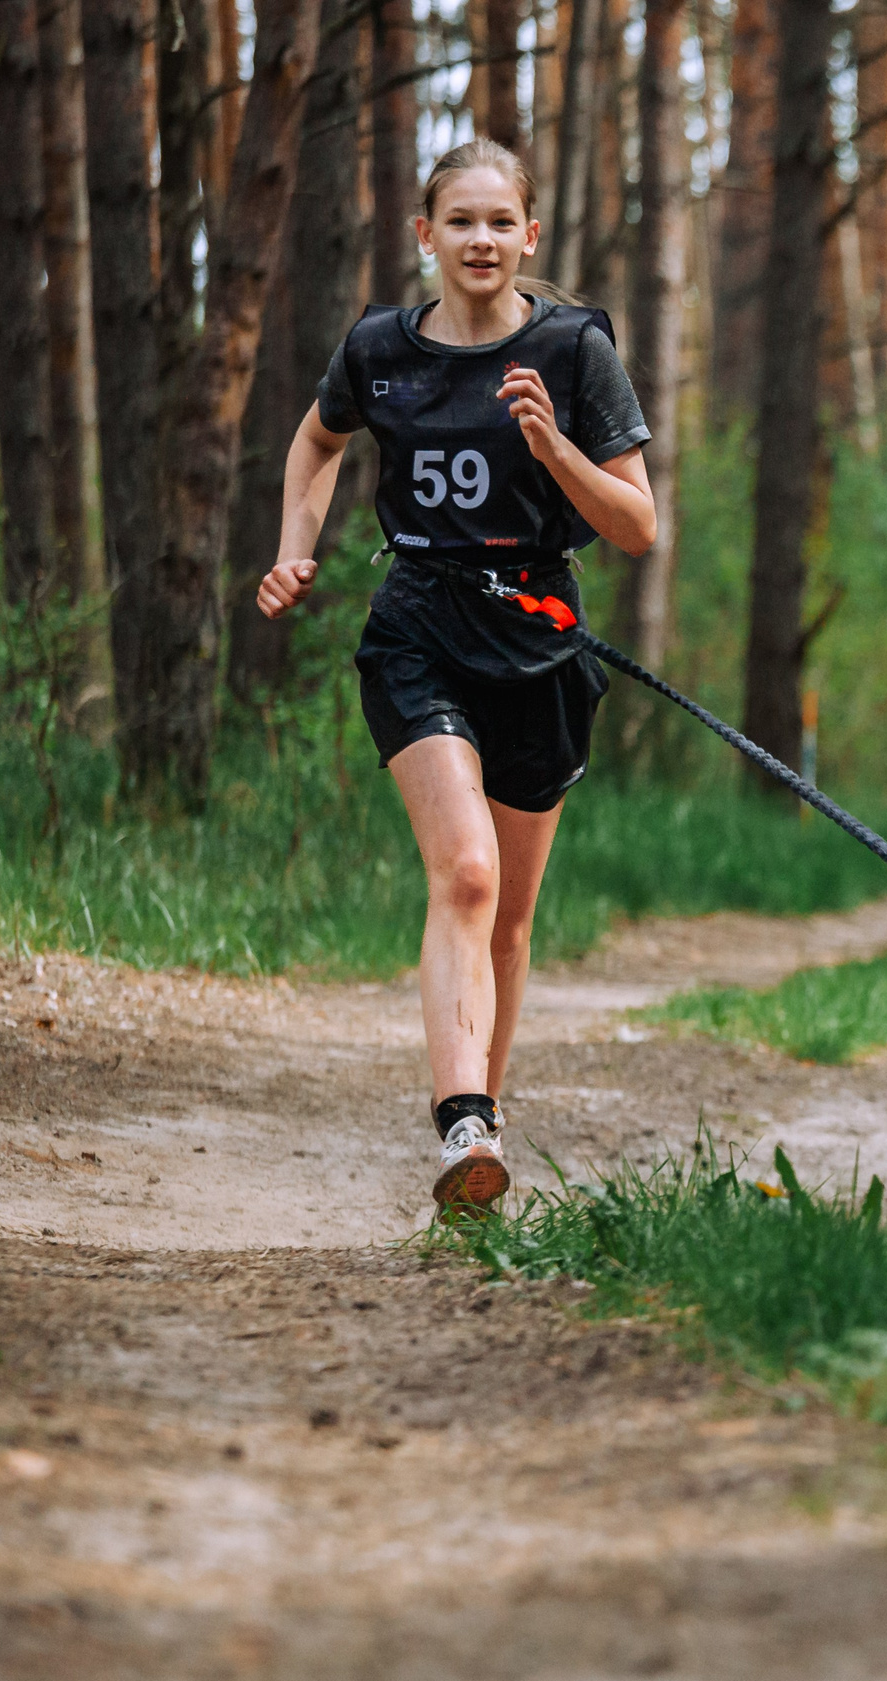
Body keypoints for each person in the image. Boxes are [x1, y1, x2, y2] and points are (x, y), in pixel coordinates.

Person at [254, 139, 657, 1217]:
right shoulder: (379, 348)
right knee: (466, 875)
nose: (480, 240)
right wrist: (298, 543)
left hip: (539, 637)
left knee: (512, 918)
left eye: (499, 222)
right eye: (459, 221)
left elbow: (637, 526)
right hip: (418, 627)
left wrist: (555, 447)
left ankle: (486, 1117)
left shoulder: (574, 351)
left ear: (529, 236)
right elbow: (315, 442)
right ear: (423, 236)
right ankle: (462, 1119)